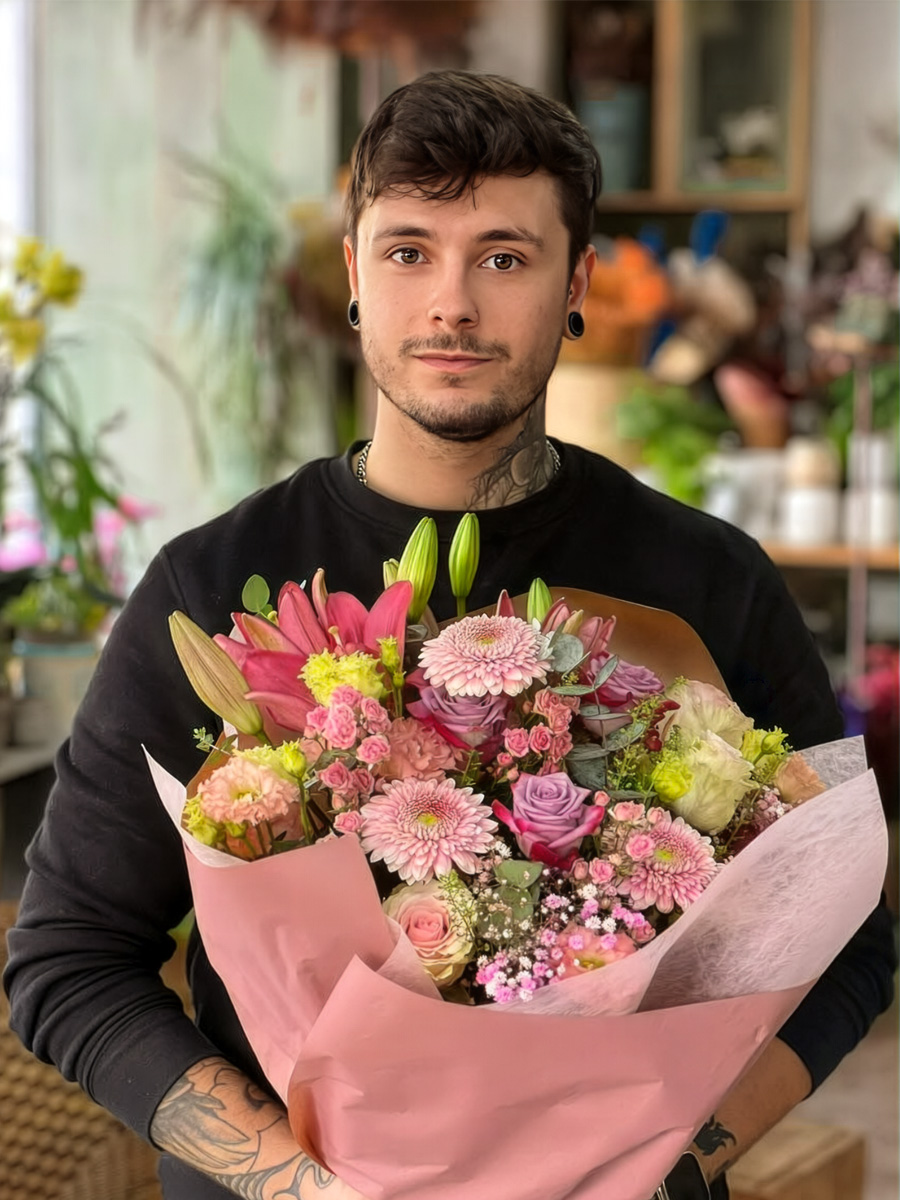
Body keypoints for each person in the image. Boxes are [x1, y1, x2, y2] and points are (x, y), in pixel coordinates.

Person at [4, 70, 895, 1200]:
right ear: (355, 277)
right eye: (410, 250)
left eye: (505, 258)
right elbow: (70, 962)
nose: (453, 305)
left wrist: (669, 1168)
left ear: (577, 281)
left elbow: (848, 941)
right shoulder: (218, 585)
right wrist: (307, 1186)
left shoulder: (707, 581)